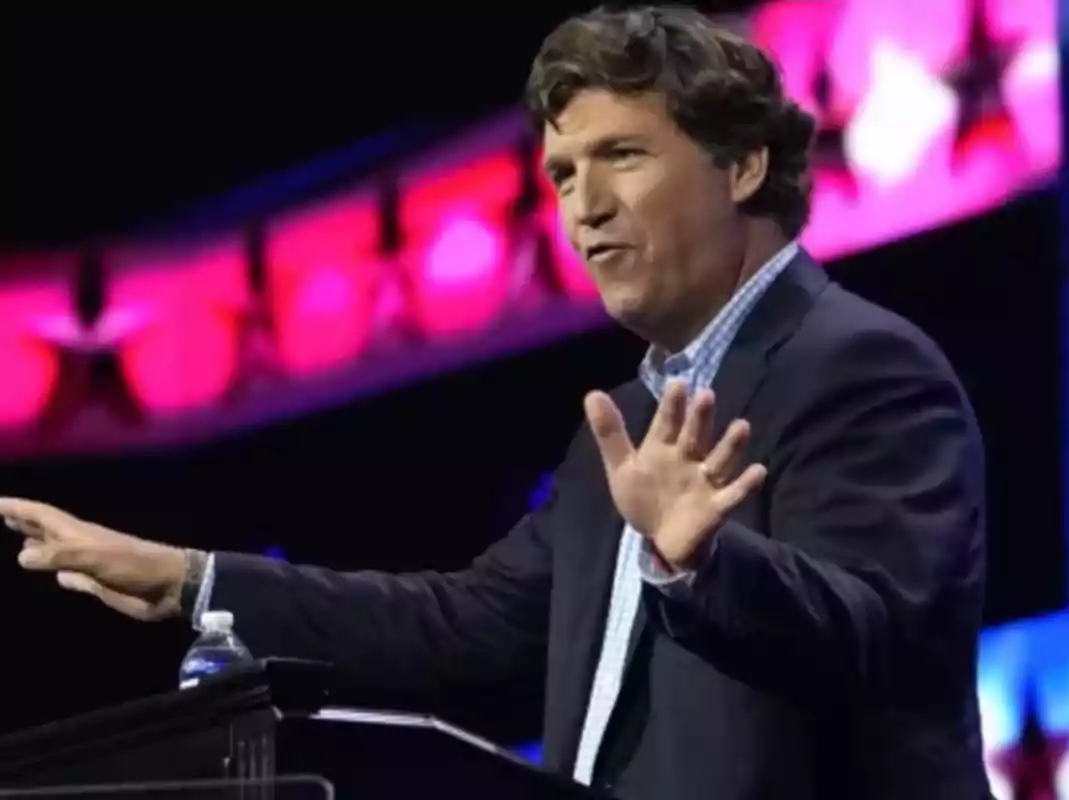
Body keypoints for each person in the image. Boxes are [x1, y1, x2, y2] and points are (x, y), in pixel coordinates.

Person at [1, 7, 994, 799]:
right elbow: (464, 623)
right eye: (563, 172)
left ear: (741, 165)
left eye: (624, 156)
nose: (581, 203)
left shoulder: (862, 366)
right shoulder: (627, 422)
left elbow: (880, 636)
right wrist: (191, 578)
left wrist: (703, 562)